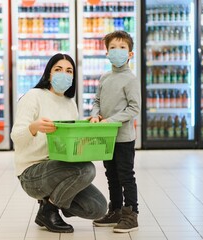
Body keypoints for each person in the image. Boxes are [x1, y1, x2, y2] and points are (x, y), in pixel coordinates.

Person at [11, 53, 107, 233]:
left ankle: (49, 202)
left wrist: (87, 127)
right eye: (58, 69)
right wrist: (34, 127)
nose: (64, 74)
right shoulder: (33, 96)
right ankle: (50, 210)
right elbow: (16, 136)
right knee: (86, 169)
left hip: (60, 167)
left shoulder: (70, 104)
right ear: (48, 74)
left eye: (69, 71)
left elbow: (71, 144)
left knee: (98, 208)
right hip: (32, 172)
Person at [89, 31, 141, 233]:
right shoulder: (105, 78)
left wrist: (110, 121)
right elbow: (97, 101)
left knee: (126, 175)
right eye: (112, 48)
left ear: (130, 54)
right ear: (106, 53)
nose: (117, 51)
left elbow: (134, 108)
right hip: (106, 137)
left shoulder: (130, 79)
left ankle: (131, 214)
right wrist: (95, 115)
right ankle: (116, 210)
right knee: (111, 175)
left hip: (123, 138)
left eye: (122, 48)